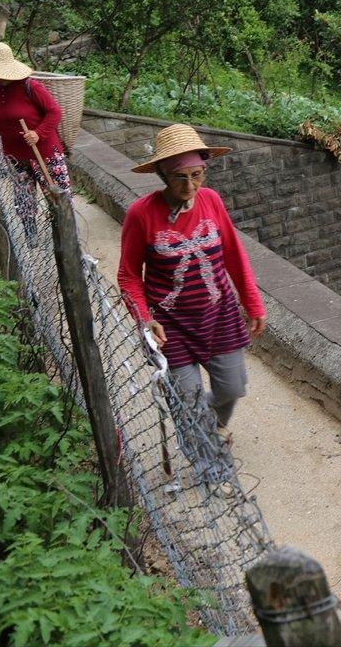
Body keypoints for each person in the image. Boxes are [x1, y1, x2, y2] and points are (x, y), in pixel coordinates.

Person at [118, 124, 266, 461]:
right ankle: (210, 464)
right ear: (161, 174)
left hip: (219, 315)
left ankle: (205, 427)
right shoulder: (141, 214)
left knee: (231, 387)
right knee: (187, 399)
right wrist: (145, 320)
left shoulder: (211, 200)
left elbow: (232, 252)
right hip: (170, 325)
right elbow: (128, 277)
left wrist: (252, 302)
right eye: (180, 178)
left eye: (197, 175)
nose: (190, 186)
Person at [0, 41, 72, 233]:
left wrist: (38, 133)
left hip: (44, 154)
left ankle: (65, 232)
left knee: (56, 197)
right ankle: (31, 233)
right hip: (15, 156)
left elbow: (54, 112)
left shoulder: (31, 86)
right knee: (23, 198)